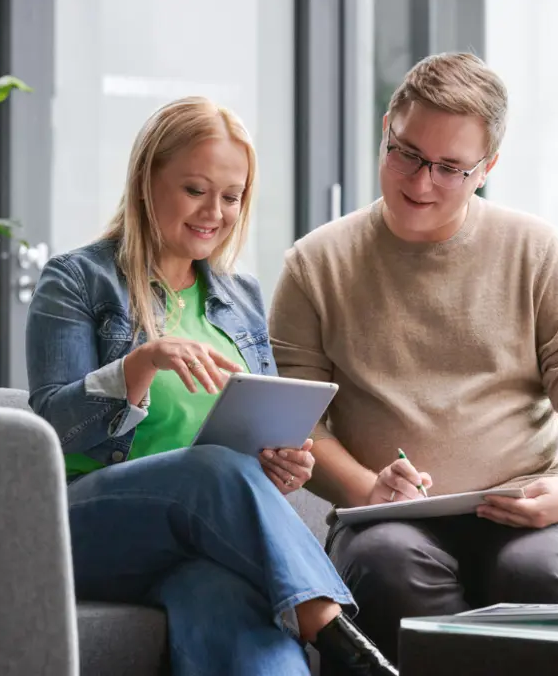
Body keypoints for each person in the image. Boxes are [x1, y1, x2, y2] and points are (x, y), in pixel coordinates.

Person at [268, 53, 558, 663]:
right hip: (383, 522)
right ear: (387, 126)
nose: (419, 181)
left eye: (450, 168)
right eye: (406, 152)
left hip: (527, 506)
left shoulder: (534, 250)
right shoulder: (314, 265)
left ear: (487, 167)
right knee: (386, 565)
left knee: (537, 576)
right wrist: (367, 489)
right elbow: (298, 420)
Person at [26, 97, 398, 676]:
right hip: (83, 526)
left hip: (193, 540)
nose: (215, 212)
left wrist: (284, 463)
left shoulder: (241, 296)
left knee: (225, 603)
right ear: (147, 181)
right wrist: (140, 364)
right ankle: (345, 643)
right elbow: (51, 427)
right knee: (212, 468)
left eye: (232, 196)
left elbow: (264, 441)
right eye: (196, 189)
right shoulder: (78, 280)